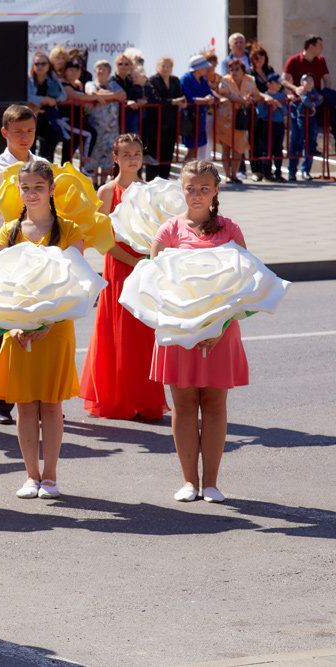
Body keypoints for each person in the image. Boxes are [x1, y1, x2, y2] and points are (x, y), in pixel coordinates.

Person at [0, 160, 86, 500]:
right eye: (25, 187)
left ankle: (51, 476)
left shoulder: (69, 230)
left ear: (52, 190)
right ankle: (31, 476)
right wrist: (14, 326)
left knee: (52, 405)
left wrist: (49, 323)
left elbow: (76, 283)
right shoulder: (7, 232)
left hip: (56, 330)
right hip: (18, 330)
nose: (31, 194)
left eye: (38, 187)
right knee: (26, 405)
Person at [150, 160, 248, 503]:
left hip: (221, 332)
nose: (196, 195)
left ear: (216, 191)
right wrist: (183, 324)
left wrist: (220, 325)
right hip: (179, 332)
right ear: (182, 189)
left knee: (215, 404)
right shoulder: (168, 231)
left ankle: (212, 483)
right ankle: (189, 481)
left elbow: (245, 284)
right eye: (191, 188)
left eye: (204, 188)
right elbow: (154, 287)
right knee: (184, 404)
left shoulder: (230, 230)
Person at [80, 135, 168, 421]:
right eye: (126, 154)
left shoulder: (150, 191)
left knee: (144, 334)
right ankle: (119, 399)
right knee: (119, 335)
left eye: (138, 153)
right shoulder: (107, 191)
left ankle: (144, 399)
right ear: (115, 158)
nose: (133, 159)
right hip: (120, 267)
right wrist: (132, 260)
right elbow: (101, 239)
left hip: (146, 267)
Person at [0, 104, 41, 425]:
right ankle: (0, 402)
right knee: (2, 330)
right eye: (18, 132)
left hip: (40, 261)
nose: (24, 137)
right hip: (3, 259)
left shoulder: (42, 167)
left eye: (29, 131)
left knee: (40, 327)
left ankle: (38, 396)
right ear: (5, 133)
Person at [143, 57, 186, 180]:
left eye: (168, 66)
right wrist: (172, 101)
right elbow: (155, 98)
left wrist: (182, 102)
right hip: (155, 122)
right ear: (158, 67)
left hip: (171, 122)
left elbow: (180, 95)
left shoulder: (175, 81)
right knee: (154, 152)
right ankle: (151, 181)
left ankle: (164, 179)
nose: (165, 68)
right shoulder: (152, 80)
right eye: (163, 66)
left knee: (168, 153)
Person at [85, 61, 127, 183]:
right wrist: (112, 95)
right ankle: (94, 183)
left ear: (109, 72)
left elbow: (122, 95)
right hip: (96, 128)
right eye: (98, 68)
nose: (100, 71)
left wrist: (103, 95)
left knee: (108, 158)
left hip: (112, 129)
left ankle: (103, 183)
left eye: (104, 69)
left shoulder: (114, 85)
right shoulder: (90, 84)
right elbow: (93, 93)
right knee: (94, 156)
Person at [217, 60, 257, 185]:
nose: (234, 72)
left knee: (239, 147)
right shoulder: (225, 80)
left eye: (237, 69)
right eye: (231, 69)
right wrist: (241, 99)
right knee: (226, 146)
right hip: (226, 117)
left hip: (241, 117)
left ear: (242, 70)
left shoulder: (250, 80)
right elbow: (225, 94)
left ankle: (234, 174)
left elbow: (256, 95)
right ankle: (227, 175)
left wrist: (250, 99)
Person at [58, 59, 100, 175]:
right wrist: (96, 98)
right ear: (65, 71)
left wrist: (90, 101)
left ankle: (65, 176)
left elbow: (81, 100)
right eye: (71, 69)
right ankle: (86, 164)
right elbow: (75, 96)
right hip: (66, 121)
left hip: (77, 120)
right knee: (90, 133)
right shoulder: (64, 85)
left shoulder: (77, 85)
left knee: (70, 149)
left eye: (77, 70)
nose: (74, 72)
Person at [26, 51, 67, 162]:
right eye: (37, 64)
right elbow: (28, 96)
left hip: (47, 117)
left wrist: (53, 100)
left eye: (43, 64)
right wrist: (44, 100)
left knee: (50, 143)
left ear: (48, 66)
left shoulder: (52, 78)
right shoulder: (28, 79)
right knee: (29, 149)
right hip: (31, 117)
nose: (40, 66)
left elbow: (63, 96)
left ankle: (45, 173)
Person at [249, 46, 279, 182]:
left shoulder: (269, 71)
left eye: (261, 56)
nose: (259, 60)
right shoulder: (249, 73)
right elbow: (253, 90)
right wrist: (265, 97)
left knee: (268, 141)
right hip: (256, 111)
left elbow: (280, 83)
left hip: (270, 112)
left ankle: (268, 170)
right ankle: (256, 170)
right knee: (255, 140)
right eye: (256, 57)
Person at [180, 55, 216, 163]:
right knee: (191, 149)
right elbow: (187, 97)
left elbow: (209, 93)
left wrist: (210, 99)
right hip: (190, 118)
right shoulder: (186, 79)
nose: (207, 69)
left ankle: (191, 175)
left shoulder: (203, 80)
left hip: (201, 117)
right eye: (205, 67)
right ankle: (186, 175)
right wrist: (204, 100)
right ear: (198, 68)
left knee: (196, 148)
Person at [289, 73, 323, 181]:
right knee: (298, 141)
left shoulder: (314, 92)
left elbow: (320, 99)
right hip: (301, 118)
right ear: (301, 83)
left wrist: (316, 103)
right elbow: (304, 99)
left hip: (311, 119)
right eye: (306, 80)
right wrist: (311, 105)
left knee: (310, 143)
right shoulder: (301, 92)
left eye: (311, 81)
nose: (309, 83)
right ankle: (292, 172)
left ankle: (306, 171)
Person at [255, 73, 287, 181]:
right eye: (276, 83)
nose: (279, 85)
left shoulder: (281, 96)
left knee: (278, 149)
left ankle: (278, 172)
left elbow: (285, 111)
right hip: (268, 125)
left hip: (279, 124)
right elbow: (260, 114)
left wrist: (279, 106)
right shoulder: (264, 96)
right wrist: (270, 110)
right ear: (269, 84)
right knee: (267, 149)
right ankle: (267, 174)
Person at [113, 53, 148, 135]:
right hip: (115, 118)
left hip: (127, 115)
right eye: (120, 64)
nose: (123, 66)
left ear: (130, 66)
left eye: (126, 64)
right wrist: (126, 102)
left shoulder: (131, 80)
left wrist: (140, 101)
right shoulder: (112, 80)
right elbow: (113, 96)